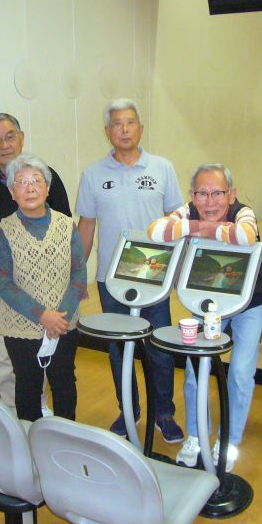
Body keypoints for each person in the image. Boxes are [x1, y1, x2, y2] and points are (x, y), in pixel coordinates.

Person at [148, 163, 262, 472]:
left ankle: (230, 441)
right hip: (205, 301)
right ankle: (195, 436)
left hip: (249, 302)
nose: (210, 201)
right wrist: (201, 226)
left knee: (240, 373)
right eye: (202, 194)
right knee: (194, 371)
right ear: (192, 195)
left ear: (232, 194)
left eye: (218, 193)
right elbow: (156, 231)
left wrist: (198, 228)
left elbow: (245, 236)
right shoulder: (187, 210)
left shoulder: (244, 212)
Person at [76, 98, 184, 442]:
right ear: (106, 131)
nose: (124, 130)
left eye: (130, 122)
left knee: (159, 348)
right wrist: (78, 274)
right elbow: (86, 226)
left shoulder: (162, 168)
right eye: (117, 124)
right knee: (119, 350)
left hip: (154, 276)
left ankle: (164, 413)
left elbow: (175, 220)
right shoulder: (93, 174)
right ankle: (129, 411)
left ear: (141, 128)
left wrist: (177, 268)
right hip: (111, 280)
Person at [0, 113, 71, 415]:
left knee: (47, 344)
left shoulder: (46, 177)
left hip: (47, 281)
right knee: (6, 352)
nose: (4, 144)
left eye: (10, 136)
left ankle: (41, 406)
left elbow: (65, 227)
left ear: (21, 138)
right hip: (2, 285)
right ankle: (16, 413)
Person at [0, 154, 86, 421]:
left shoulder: (67, 226)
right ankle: (31, 437)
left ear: (47, 188)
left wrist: (59, 318)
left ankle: (66, 435)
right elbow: (3, 284)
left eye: (36, 181)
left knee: (64, 381)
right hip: (21, 327)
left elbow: (79, 274)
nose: (30, 188)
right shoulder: (2, 231)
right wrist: (43, 316)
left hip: (64, 323)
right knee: (28, 386)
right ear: (12, 192)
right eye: (21, 182)